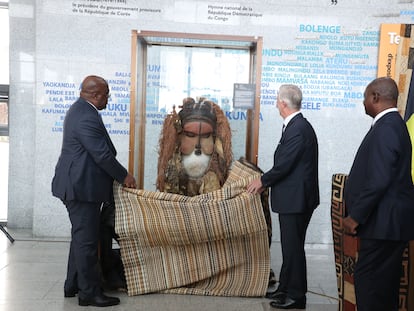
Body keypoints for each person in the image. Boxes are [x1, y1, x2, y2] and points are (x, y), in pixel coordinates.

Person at [51, 75, 136, 307]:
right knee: (87, 242)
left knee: (81, 238)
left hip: (80, 185)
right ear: (95, 94)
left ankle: (73, 284)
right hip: (80, 188)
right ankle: (89, 293)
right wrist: (124, 176)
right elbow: (102, 154)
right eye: (107, 94)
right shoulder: (85, 115)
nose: (108, 98)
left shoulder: (82, 111)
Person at [343, 77, 414, 311]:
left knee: (370, 285)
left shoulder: (387, 128)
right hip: (387, 223)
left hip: (384, 224)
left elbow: (379, 179)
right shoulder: (391, 125)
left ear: (375, 97)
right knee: (382, 287)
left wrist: (356, 216)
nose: (363, 102)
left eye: (365, 97)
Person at [247, 84, 319, 309]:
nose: (276, 103)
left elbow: (285, 164)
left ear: (284, 103)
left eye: (277, 100)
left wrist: (263, 181)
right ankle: (284, 288)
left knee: (293, 248)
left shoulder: (298, 128)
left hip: (296, 200)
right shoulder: (295, 125)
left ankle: (297, 296)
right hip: (292, 198)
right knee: (289, 247)